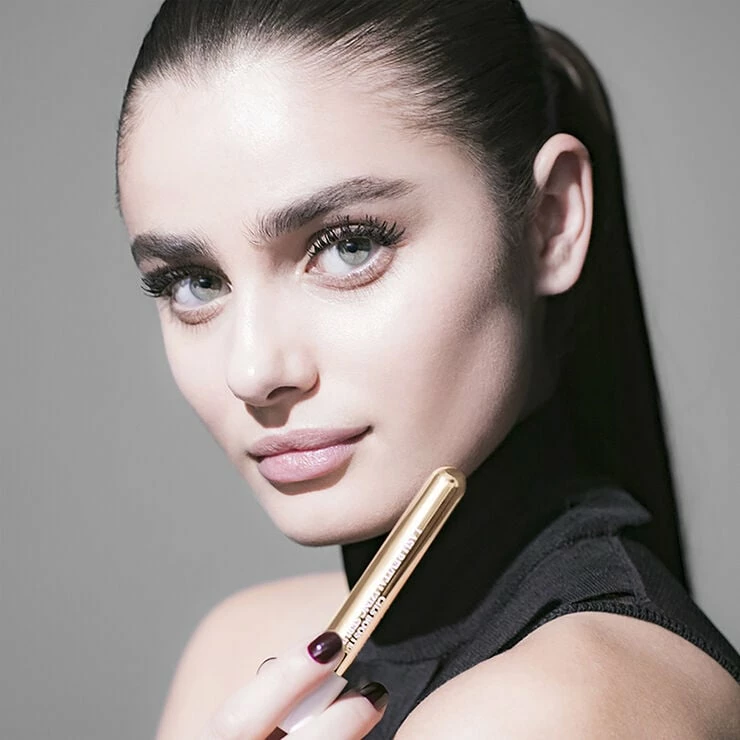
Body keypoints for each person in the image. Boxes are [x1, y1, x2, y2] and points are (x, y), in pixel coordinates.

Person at [114, 1, 740, 737]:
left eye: (349, 246)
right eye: (193, 282)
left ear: (550, 220)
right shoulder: (237, 652)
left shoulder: (550, 710)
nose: (253, 371)